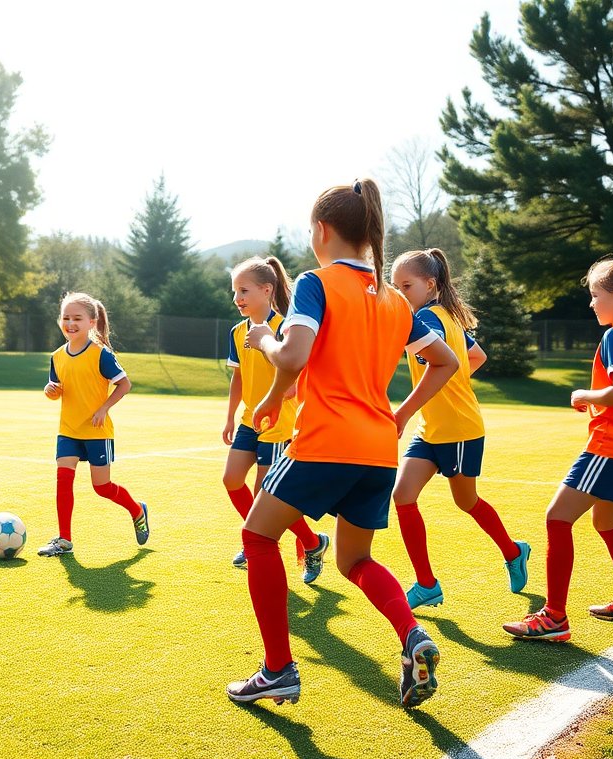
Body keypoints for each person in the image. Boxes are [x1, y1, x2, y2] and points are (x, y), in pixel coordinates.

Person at [225, 180, 459, 709]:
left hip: (324, 440)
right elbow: (444, 361)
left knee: (258, 538)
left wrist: (260, 333)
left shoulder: (316, 282)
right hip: (378, 448)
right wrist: (398, 414)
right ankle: (412, 635)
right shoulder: (394, 299)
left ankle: (278, 669)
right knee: (355, 560)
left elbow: (294, 353)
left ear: (322, 230)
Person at [502, 258, 613, 642]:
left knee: (557, 518)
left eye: (596, 296)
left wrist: (585, 396)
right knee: (606, 522)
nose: (592, 304)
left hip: (611, 447)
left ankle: (554, 618)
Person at [389, 248, 530, 608]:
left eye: (406, 285)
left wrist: (404, 412)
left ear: (430, 284)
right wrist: (451, 380)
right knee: (402, 496)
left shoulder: (431, 320)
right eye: (395, 286)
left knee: (466, 501)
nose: (399, 292)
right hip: (431, 429)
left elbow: (452, 362)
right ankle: (426, 584)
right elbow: (476, 356)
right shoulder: (439, 318)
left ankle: (514, 551)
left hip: (460, 429)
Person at [222, 256, 329, 583]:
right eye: (234, 291)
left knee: (265, 495)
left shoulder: (286, 327)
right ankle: (313, 542)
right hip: (248, 421)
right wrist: (229, 418)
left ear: (267, 290)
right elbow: (238, 377)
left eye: (244, 290)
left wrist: (288, 389)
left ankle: (261, 544)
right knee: (231, 480)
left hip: (278, 423)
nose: (237, 298)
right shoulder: (238, 331)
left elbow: (301, 371)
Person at [37, 292, 149, 557]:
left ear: (91, 322)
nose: (70, 323)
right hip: (68, 430)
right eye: (66, 317)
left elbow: (124, 384)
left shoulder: (101, 355)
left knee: (102, 487)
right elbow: (56, 388)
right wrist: (50, 390)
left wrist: (104, 408)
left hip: (97, 432)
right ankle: (64, 539)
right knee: (63, 481)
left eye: (77, 318)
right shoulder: (57, 356)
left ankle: (137, 510)